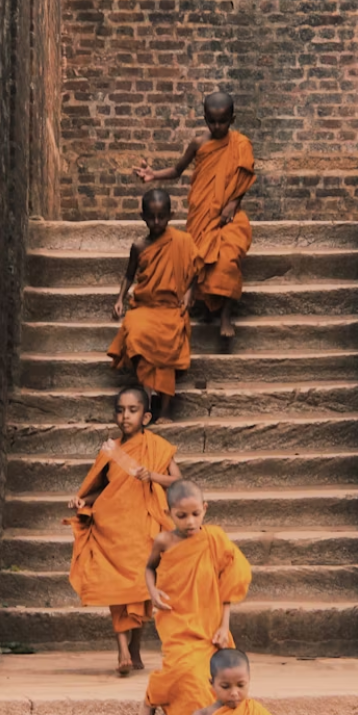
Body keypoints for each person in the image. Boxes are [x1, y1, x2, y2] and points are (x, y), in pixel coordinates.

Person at [65, 386, 181, 675]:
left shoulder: (157, 447)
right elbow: (101, 488)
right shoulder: (110, 449)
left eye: (132, 410)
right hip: (112, 526)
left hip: (143, 526)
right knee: (117, 587)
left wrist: (151, 475)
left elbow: (178, 482)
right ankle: (121, 649)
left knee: (141, 590)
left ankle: (136, 647)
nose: (125, 415)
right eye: (120, 410)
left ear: (146, 416)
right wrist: (83, 500)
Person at [137, 479, 251, 715]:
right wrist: (152, 591)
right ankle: (150, 701)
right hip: (176, 618)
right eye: (182, 516)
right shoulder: (163, 541)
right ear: (168, 514)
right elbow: (149, 569)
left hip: (210, 622)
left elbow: (230, 583)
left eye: (196, 514)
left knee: (206, 683)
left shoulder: (214, 539)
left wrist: (225, 626)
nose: (190, 522)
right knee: (181, 671)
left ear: (205, 509)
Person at [135, 91, 256, 339]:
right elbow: (178, 169)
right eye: (211, 121)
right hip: (202, 214)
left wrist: (234, 203)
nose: (217, 126)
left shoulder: (241, 144)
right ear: (204, 118)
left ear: (232, 119)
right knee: (199, 257)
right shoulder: (199, 144)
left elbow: (243, 179)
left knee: (229, 256)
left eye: (222, 121)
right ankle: (209, 308)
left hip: (229, 215)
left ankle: (225, 316)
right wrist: (154, 175)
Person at [107, 188, 199, 422]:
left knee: (168, 342)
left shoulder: (183, 241)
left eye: (161, 216)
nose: (156, 222)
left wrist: (189, 293)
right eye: (151, 217)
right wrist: (119, 299)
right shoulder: (139, 246)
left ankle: (166, 409)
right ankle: (146, 401)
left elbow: (195, 271)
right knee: (136, 335)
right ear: (142, 216)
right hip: (145, 307)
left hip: (170, 307)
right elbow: (129, 276)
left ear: (171, 215)